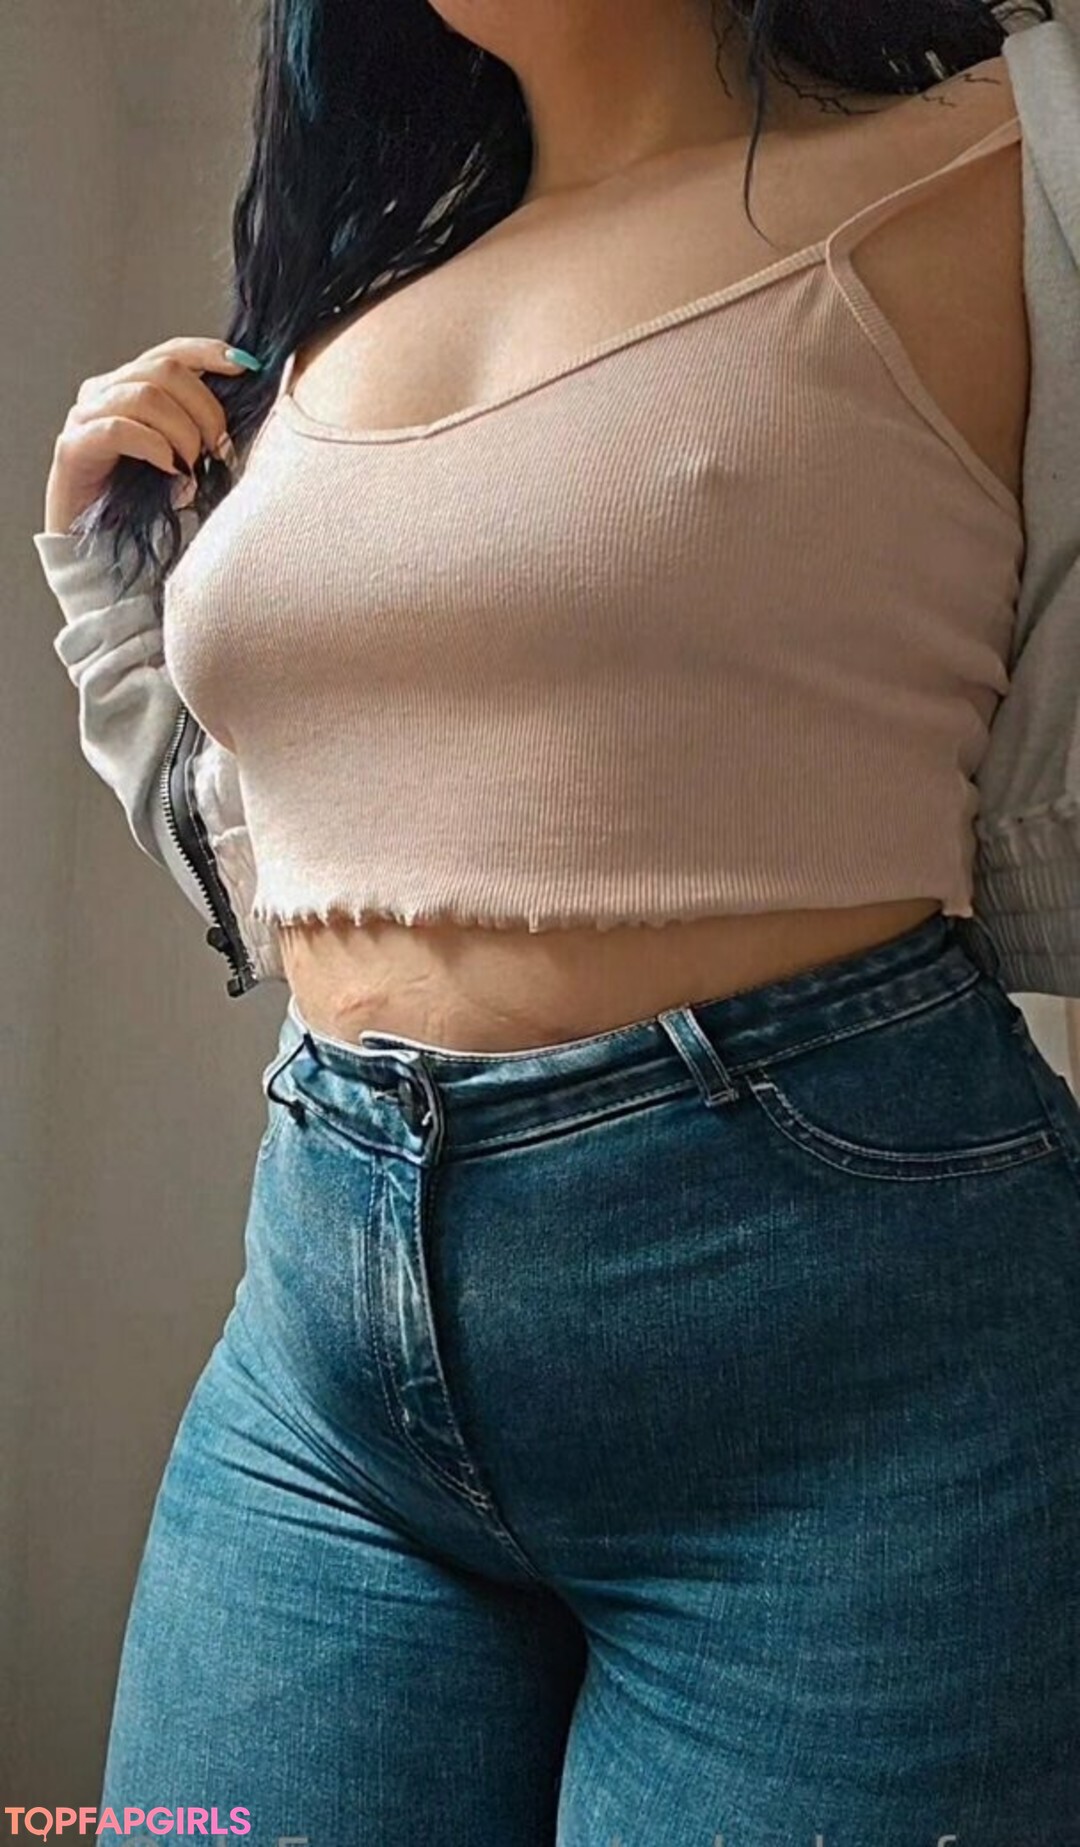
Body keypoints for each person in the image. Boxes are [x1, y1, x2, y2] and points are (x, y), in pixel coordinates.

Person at [34, 0, 1080, 1839]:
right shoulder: (350, 306)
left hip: (856, 1373)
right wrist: (109, 580)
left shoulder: (1021, 158)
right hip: (323, 1352)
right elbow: (283, 863)